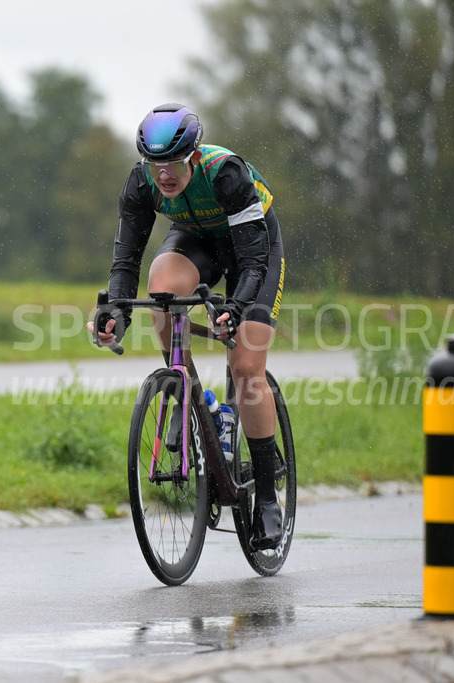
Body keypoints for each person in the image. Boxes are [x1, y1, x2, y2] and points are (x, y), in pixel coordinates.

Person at [88, 103, 286, 549]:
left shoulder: (226, 174)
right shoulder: (141, 183)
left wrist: (234, 308)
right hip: (197, 241)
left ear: (194, 157)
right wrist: (116, 312)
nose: (164, 176)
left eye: (173, 165)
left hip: (254, 250)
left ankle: (269, 501)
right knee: (161, 294)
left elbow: (253, 262)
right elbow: (126, 261)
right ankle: (189, 394)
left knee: (246, 368)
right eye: (154, 166)